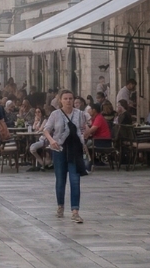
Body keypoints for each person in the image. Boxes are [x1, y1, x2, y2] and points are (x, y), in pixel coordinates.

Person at [42, 89, 87, 223]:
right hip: (59, 149)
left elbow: (84, 129)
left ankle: (75, 211)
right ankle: (60, 205)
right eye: (65, 99)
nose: (68, 101)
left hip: (75, 150)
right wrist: (51, 140)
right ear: (60, 100)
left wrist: (84, 139)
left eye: (70, 98)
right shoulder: (55, 114)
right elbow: (46, 130)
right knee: (60, 180)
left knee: (75, 180)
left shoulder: (80, 114)